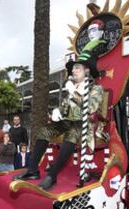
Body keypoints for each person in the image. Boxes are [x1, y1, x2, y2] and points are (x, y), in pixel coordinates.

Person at [13, 48, 104, 191]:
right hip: (67, 122)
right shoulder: (72, 87)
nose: (73, 71)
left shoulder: (96, 89)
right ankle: (32, 170)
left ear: (87, 70)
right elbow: (64, 107)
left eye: (77, 68)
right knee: (44, 131)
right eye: (73, 68)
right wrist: (57, 112)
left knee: (71, 135)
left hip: (83, 124)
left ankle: (52, 175)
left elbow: (90, 108)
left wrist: (73, 92)